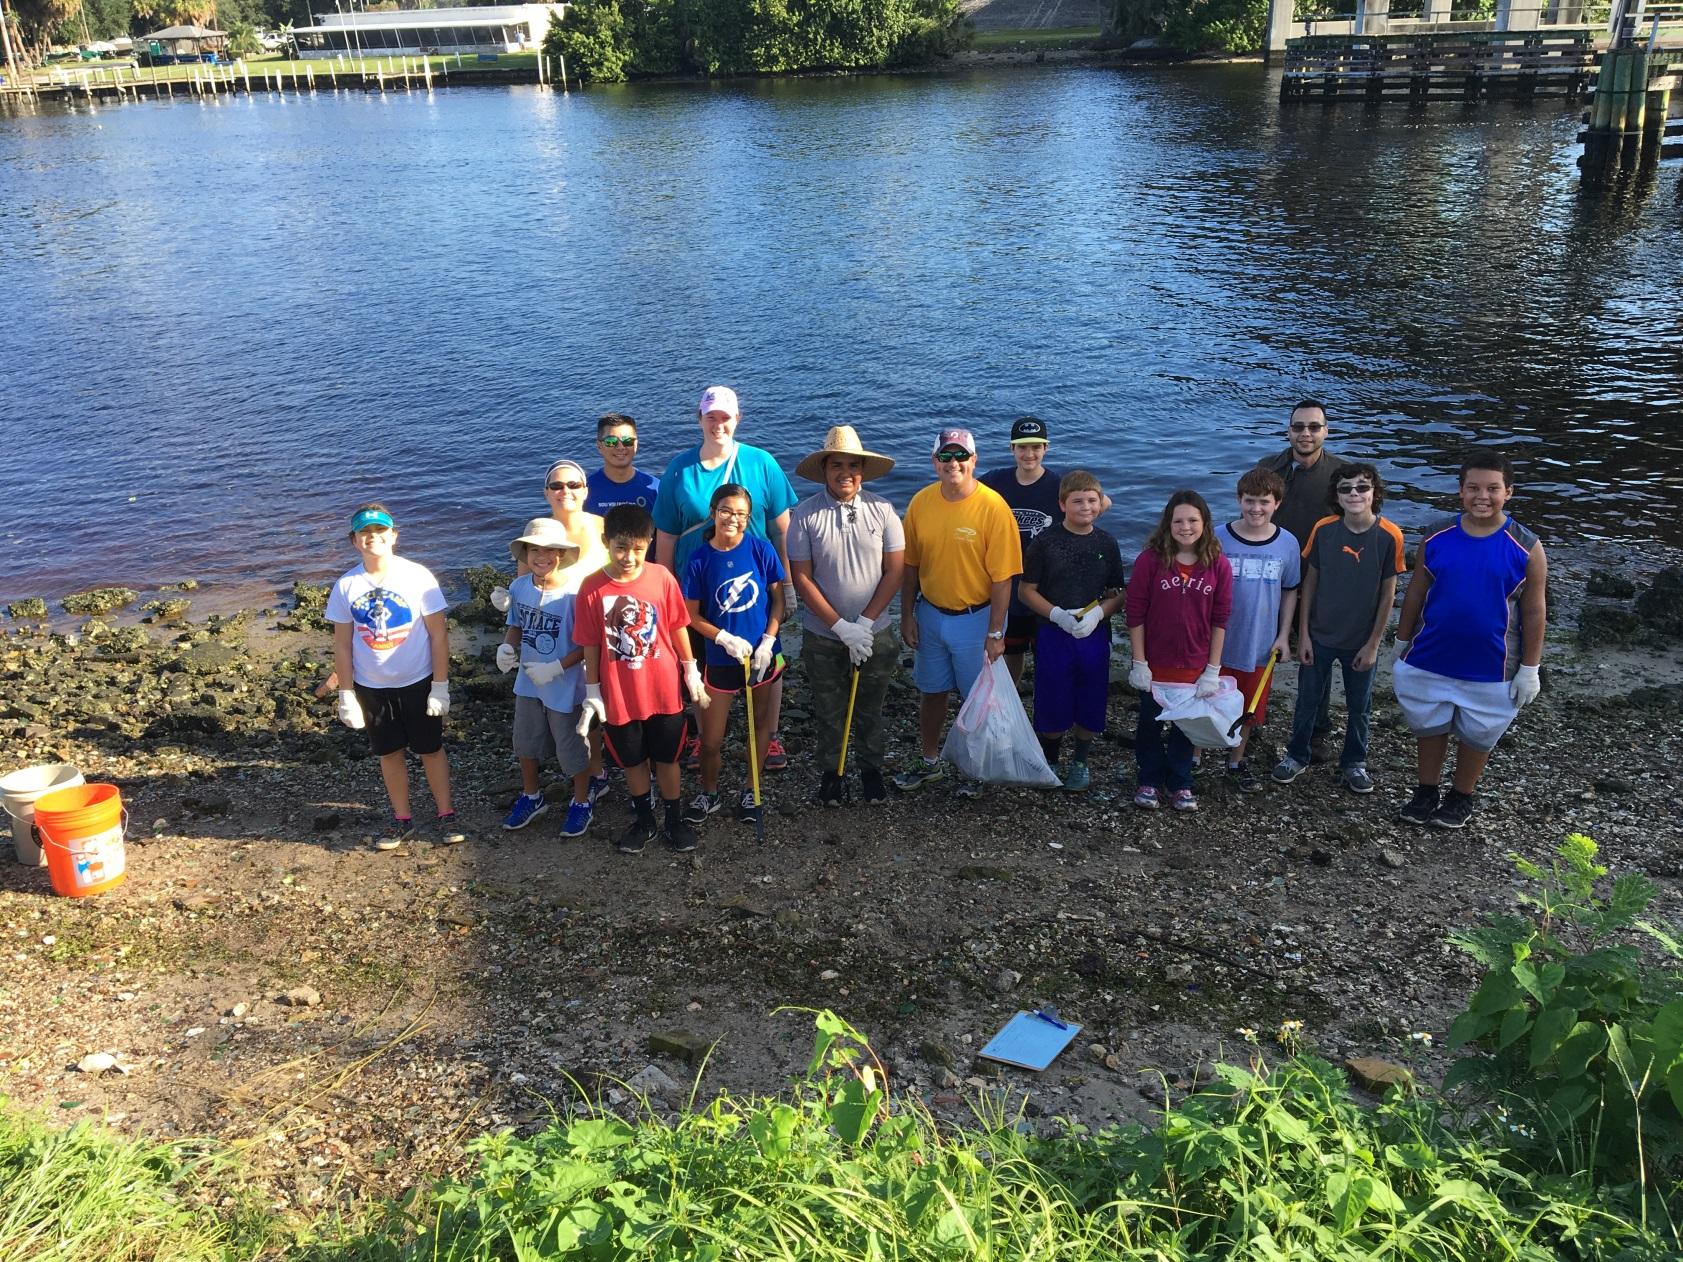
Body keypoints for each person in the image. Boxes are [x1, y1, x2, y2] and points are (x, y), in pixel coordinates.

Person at [1391, 451, 1547, 830]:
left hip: (1492, 665)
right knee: (1429, 726)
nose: (1483, 496)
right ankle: (1426, 790)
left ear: (1508, 492)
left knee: (1480, 734)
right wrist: (1401, 640)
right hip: (1431, 656)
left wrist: (1530, 668)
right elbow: (1415, 592)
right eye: (1473, 488)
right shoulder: (1437, 537)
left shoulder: (1526, 546)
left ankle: (1461, 796)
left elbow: (1534, 612)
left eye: (1492, 489)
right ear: (1460, 491)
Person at [654, 386, 799, 771]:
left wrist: (786, 584)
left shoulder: (762, 462)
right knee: (701, 663)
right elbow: (666, 536)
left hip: (756, 589)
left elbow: (781, 529)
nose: (718, 424)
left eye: (725, 417)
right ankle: (705, 737)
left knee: (768, 662)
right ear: (698, 419)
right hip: (698, 590)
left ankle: (769, 735)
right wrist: (665, 592)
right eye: (711, 417)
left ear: (738, 419)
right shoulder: (679, 471)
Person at [574, 504, 710, 855]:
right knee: (632, 762)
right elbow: (590, 643)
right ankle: (644, 821)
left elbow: (678, 625)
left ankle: (674, 819)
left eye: (637, 548)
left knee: (668, 759)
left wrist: (690, 668)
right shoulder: (591, 588)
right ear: (606, 542)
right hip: (619, 695)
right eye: (620, 547)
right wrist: (592, 690)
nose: (629, 557)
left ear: (649, 543)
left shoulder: (662, 578)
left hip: (664, 691)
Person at [894, 427, 1022, 798]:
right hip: (931, 613)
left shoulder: (993, 507)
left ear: (974, 461)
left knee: (978, 699)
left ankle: (977, 768)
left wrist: (996, 633)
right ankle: (929, 760)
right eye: (946, 457)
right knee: (931, 691)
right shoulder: (920, 502)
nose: (954, 463)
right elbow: (911, 566)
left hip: (977, 618)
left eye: (961, 456)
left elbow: (1003, 579)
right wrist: (906, 615)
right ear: (935, 462)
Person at [1271, 463, 1406, 794]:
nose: (1354, 494)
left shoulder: (1390, 535)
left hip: (1360, 639)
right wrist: (1302, 634)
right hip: (1319, 635)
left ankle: (1354, 762)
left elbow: (1389, 593)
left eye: (1362, 487)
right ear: (1336, 495)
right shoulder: (1324, 528)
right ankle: (1297, 755)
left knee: (1360, 706)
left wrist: (1374, 643)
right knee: (1308, 700)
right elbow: (1310, 583)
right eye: (1346, 488)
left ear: (1375, 493)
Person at [787, 425, 904, 807]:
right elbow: (802, 578)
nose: (845, 473)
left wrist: (866, 624)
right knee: (829, 709)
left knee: (871, 706)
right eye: (836, 465)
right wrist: (840, 626)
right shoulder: (804, 516)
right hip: (823, 635)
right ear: (824, 469)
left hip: (877, 633)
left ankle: (871, 771)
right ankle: (832, 774)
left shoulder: (884, 510)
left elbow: (895, 572)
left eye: (853, 465)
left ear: (863, 470)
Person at [326, 505, 455, 850]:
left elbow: (439, 635)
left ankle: (446, 815)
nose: (373, 538)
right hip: (372, 686)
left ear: (394, 536)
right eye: (365, 533)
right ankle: (402, 819)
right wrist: (346, 693)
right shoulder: (346, 585)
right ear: (354, 541)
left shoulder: (418, 577)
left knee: (431, 749)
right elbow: (342, 644)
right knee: (389, 752)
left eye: (381, 531)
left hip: (419, 680)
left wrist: (440, 686)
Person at [680, 484, 787, 830]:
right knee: (711, 740)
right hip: (722, 660)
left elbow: (778, 599)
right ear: (713, 512)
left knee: (759, 728)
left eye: (741, 514)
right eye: (726, 511)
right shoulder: (698, 560)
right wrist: (722, 637)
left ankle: (750, 790)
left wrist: (769, 639)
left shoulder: (761, 549)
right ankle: (709, 793)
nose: (733, 519)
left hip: (761, 657)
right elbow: (690, 615)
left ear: (748, 518)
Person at [1016, 470, 1126, 792]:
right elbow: (1026, 591)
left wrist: (1098, 614)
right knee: (1052, 696)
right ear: (1062, 504)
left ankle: (1080, 760)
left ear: (1100, 503)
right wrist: (1056, 614)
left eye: (1092, 500)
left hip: (1094, 632)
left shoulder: (1107, 542)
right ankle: (1050, 759)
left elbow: (1117, 592)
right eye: (1077, 501)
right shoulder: (1044, 543)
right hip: (1053, 632)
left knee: (1091, 696)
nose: (1086, 507)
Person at [1124, 491, 1233, 812]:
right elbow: (1135, 613)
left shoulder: (1218, 565)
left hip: (1195, 667)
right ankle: (1148, 779)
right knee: (1150, 725)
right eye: (1179, 521)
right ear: (1168, 524)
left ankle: (1181, 783)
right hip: (1155, 666)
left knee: (1186, 728)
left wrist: (1213, 670)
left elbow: (1220, 620)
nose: (1186, 527)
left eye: (1193, 520)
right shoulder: (1150, 561)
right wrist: (1139, 662)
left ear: (1205, 523)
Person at [495, 518, 599, 839]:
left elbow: (587, 645)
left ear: (561, 554)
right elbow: (516, 625)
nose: (542, 557)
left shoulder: (574, 593)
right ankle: (532, 796)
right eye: (534, 550)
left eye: (550, 551)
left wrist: (556, 667)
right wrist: (507, 647)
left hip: (566, 686)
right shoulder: (519, 588)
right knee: (525, 741)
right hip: (527, 682)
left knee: (571, 747)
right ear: (524, 554)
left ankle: (582, 801)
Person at [1215, 469, 1301, 793]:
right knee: (1208, 699)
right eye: (1249, 501)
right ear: (1239, 500)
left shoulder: (1288, 543)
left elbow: (1290, 589)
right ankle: (1194, 756)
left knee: (1249, 707)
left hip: (1260, 640)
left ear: (1276, 503)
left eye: (1263, 502)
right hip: (1219, 639)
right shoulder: (1218, 536)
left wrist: (1283, 634)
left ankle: (1236, 761)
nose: (1255, 509)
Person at [980, 417, 1064, 686]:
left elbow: (1101, 500)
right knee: (1011, 648)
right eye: (1022, 447)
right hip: (1008, 582)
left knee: (1046, 650)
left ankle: (1046, 701)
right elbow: (966, 496)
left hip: (1045, 584)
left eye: (1036, 447)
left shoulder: (1058, 485)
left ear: (1046, 448)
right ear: (1011, 449)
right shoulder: (996, 480)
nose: (1029, 454)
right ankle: (1010, 694)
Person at [585, 413, 661, 517]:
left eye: (627, 441)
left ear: (636, 445)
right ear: (599, 446)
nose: (620, 447)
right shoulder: (584, 491)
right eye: (611, 441)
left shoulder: (656, 489)